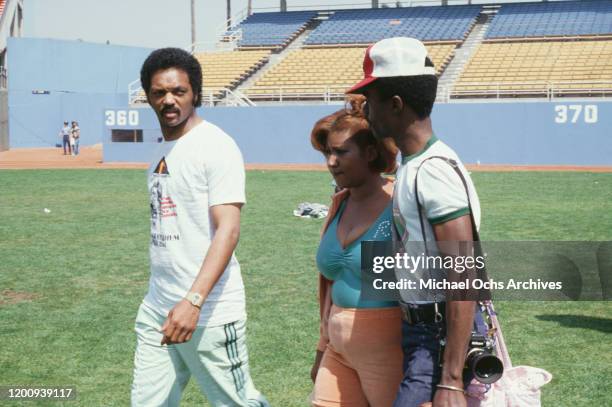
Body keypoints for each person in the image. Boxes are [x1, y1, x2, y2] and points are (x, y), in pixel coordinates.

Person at [347, 37, 483, 407]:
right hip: (424, 333)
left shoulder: (432, 171)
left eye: (370, 102)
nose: (366, 112)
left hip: (437, 339)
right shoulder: (413, 164)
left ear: (395, 104)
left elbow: (463, 273)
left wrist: (452, 380)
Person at [131, 47, 269, 407]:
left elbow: (229, 230)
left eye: (179, 91)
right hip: (158, 307)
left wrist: (193, 302)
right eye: (159, 92)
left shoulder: (215, 146)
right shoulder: (163, 152)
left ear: (196, 94)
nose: (169, 101)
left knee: (238, 403)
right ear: (147, 96)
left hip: (208, 311)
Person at [310, 96, 403, 407]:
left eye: (340, 152)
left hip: (389, 352)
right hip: (337, 350)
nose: (330, 162)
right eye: (327, 153)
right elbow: (332, 284)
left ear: (371, 153)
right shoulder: (339, 203)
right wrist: (322, 347)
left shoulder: (400, 205)